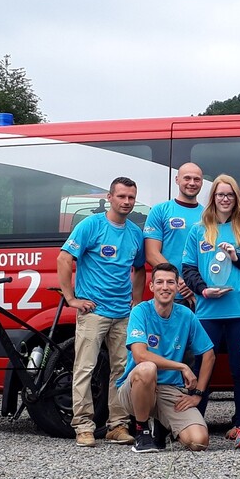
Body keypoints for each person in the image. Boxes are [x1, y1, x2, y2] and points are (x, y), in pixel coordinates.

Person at [57, 176, 146, 448]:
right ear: (110, 197)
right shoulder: (91, 225)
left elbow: (140, 269)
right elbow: (64, 258)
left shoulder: (135, 233)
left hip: (122, 313)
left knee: (122, 369)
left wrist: (137, 302)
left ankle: (117, 425)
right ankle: (83, 426)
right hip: (94, 311)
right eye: (121, 196)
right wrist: (70, 298)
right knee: (85, 368)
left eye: (131, 197)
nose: (127, 202)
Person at [182, 174, 240, 449]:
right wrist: (203, 290)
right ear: (213, 198)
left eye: (230, 194)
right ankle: (197, 423)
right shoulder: (199, 229)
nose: (225, 199)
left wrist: (236, 257)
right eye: (220, 194)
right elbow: (188, 269)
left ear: (236, 198)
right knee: (201, 367)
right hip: (207, 311)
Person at [117, 263, 215, 452]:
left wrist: (198, 395)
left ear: (177, 287)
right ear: (151, 286)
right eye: (159, 282)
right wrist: (181, 367)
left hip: (169, 390)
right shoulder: (140, 312)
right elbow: (140, 356)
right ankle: (142, 431)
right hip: (135, 387)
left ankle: (162, 428)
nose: (165, 287)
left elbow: (209, 354)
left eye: (171, 282)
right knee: (147, 369)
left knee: (199, 441)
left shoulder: (186, 315)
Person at [144, 162, 205, 309]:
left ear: (202, 182)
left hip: (201, 295)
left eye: (196, 179)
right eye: (187, 178)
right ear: (177, 180)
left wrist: (196, 285)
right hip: (171, 294)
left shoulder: (209, 215)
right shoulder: (160, 211)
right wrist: (178, 281)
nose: (192, 183)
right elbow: (151, 253)